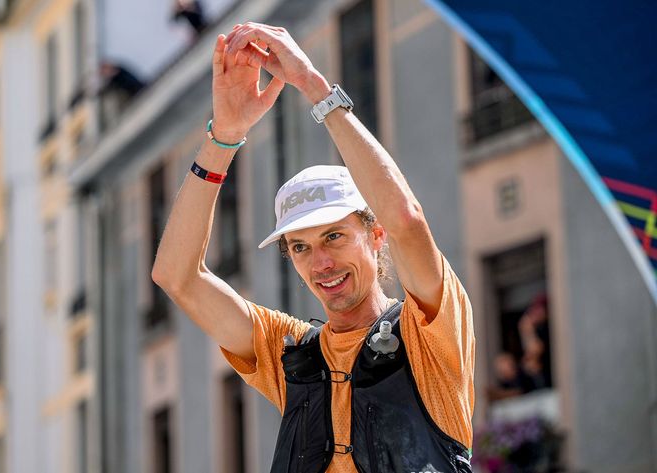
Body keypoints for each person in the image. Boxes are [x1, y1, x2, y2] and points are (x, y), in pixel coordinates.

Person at [151, 22, 475, 473]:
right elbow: (176, 276)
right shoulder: (288, 353)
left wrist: (313, 86)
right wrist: (223, 137)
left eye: (334, 237)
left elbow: (406, 218)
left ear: (375, 234)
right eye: (299, 247)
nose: (320, 262)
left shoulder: (429, 332)